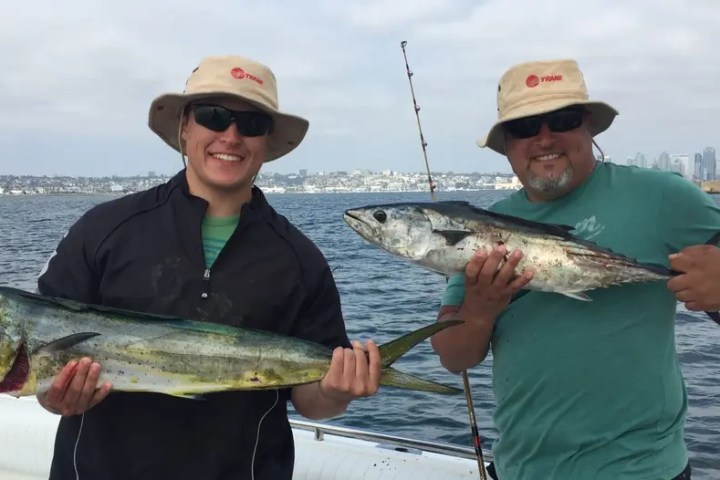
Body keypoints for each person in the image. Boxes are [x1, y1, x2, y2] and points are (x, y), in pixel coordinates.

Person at [35, 55, 382, 480]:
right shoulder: (104, 230)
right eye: (213, 116)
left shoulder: (300, 260)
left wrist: (335, 389)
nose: (231, 135)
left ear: (267, 141)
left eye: (251, 123)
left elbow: (314, 400)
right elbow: (40, 357)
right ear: (185, 126)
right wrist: (55, 395)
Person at [431, 58, 720, 480]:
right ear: (507, 146)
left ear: (588, 126)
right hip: (520, 470)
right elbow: (453, 358)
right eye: (526, 127)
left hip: (643, 471)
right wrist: (479, 309)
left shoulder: (662, 196)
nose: (544, 137)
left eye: (561, 119)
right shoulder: (481, 227)